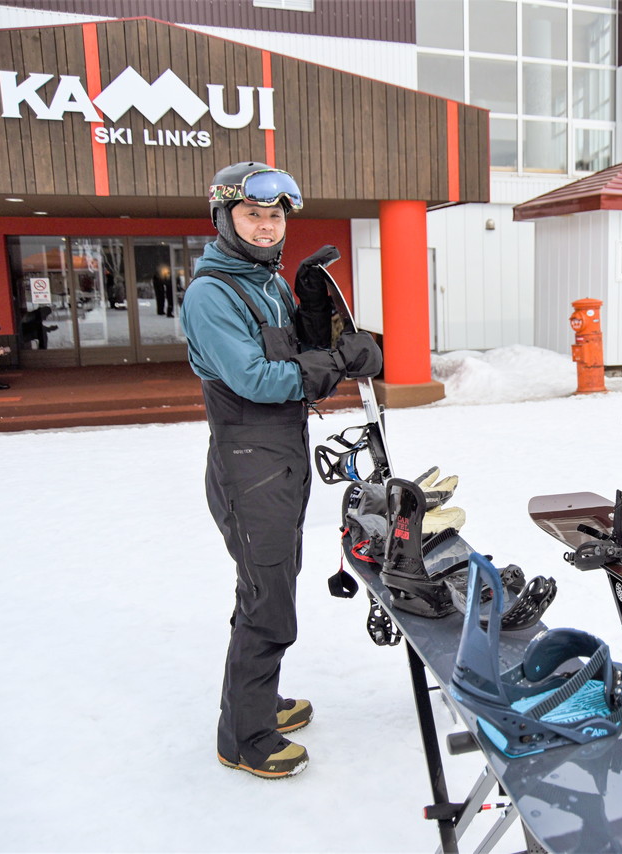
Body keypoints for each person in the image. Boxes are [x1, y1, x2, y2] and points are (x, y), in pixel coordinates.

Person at [181, 161, 382, 779]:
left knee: (272, 584)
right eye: (253, 215)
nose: (266, 227)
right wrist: (335, 364)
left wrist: (313, 310)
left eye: (274, 217)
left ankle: (258, 699)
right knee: (268, 597)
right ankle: (243, 736)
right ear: (225, 218)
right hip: (249, 463)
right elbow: (257, 378)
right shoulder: (212, 293)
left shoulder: (263, 282)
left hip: (279, 460)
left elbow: (291, 348)